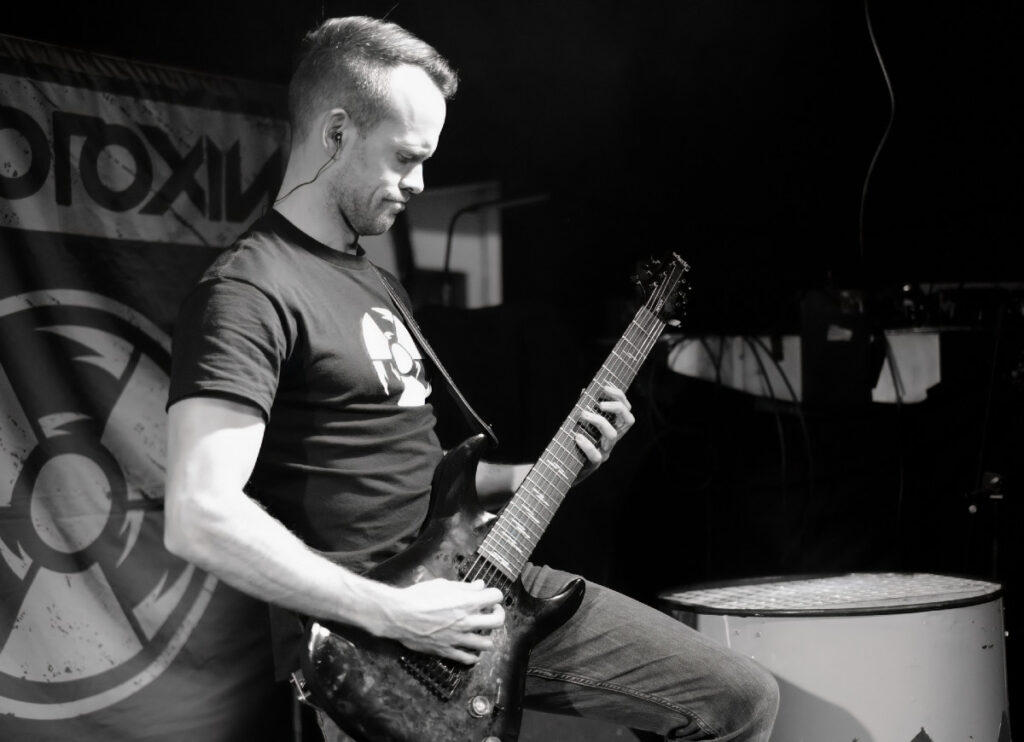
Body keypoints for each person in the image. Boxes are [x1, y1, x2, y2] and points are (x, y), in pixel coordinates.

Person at [164, 15, 779, 742]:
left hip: (478, 582)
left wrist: (547, 471)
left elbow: (426, 478)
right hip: (376, 644)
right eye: (405, 157)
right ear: (334, 134)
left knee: (738, 699)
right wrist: (395, 613)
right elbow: (199, 514)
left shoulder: (374, 281)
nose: (419, 183)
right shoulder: (248, 290)